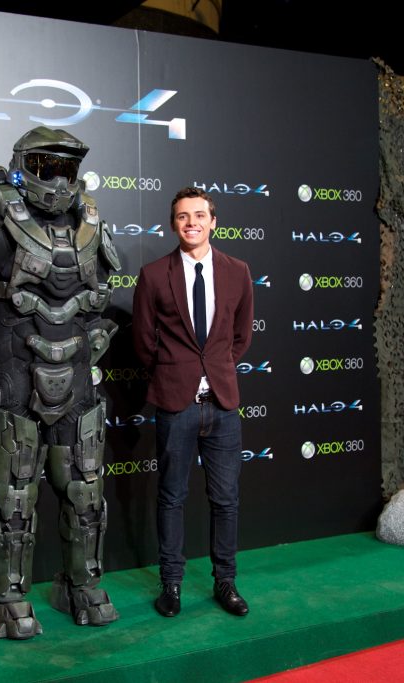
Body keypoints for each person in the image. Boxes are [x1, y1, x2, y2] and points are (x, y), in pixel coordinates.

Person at [0, 126, 121, 639]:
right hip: (13, 376)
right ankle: (8, 596)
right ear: (22, 166)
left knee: (86, 492)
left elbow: (100, 302)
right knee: (14, 497)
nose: (58, 180)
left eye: (66, 168)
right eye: (46, 167)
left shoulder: (89, 225)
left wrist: (90, 352)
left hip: (78, 379)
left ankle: (82, 584)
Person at [131, 187, 254, 619]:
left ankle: (226, 582)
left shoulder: (238, 271)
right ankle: (171, 584)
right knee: (171, 497)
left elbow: (241, 336)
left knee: (226, 499)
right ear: (173, 224)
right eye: (183, 216)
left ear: (213, 222)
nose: (191, 223)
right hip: (175, 403)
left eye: (199, 215)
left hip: (222, 402)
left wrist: (215, 368)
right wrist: (174, 372)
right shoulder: (153, 275)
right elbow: (142, 341)